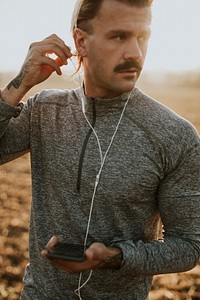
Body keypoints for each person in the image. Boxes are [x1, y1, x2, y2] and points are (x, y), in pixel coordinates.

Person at [0, 0, 200, 299]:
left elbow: (189, 246)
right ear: (81, 41)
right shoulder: (44, 110)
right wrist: (18, 86)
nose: (135, 53)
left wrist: (114, 257)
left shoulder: (175, 136)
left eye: (142, 37)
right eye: (119, 36)